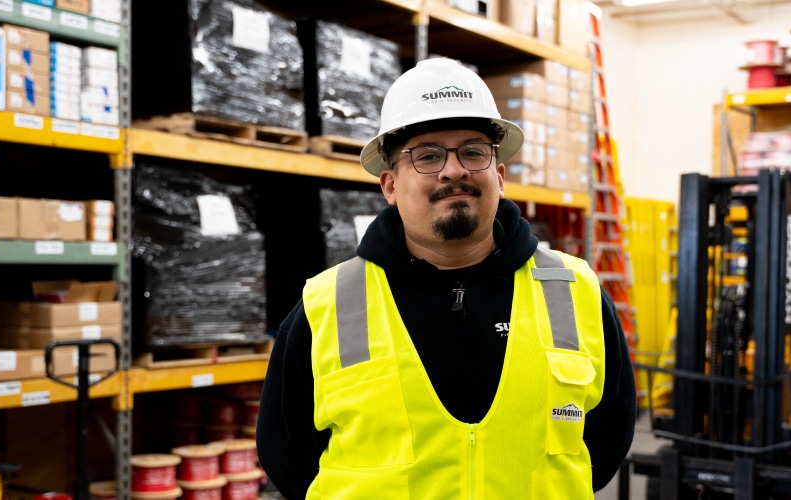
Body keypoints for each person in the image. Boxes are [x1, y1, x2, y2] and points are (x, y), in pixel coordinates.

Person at [256, 57, 636, 499]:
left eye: (473, 151)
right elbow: (288, 455)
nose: (453, 170)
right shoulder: (328, 304)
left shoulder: (573, 290)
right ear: (390, 185)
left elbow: (608, 438)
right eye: (427, 155)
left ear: (498, 174)